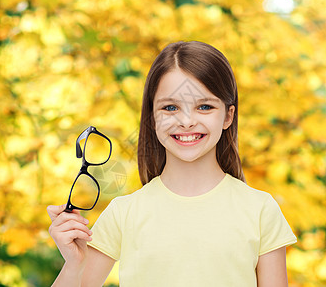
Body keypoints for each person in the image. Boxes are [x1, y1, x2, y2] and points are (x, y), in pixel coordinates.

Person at [47, 41, 297, 287]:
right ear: (152, 118)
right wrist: (74, 264)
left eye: (204, 106)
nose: (186, 121)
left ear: (228, 116)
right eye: (170, 107)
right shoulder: (123, 214)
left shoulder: (261, 210)